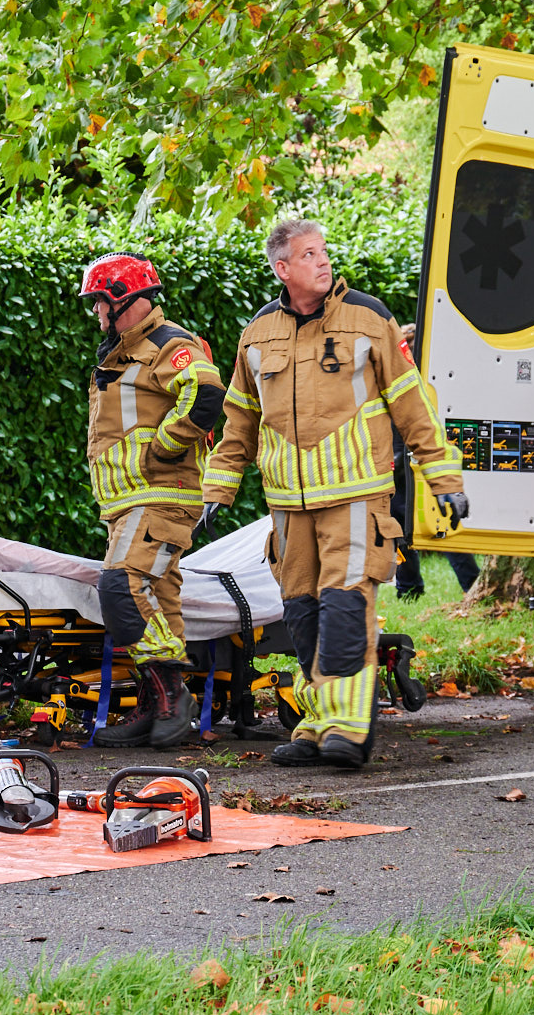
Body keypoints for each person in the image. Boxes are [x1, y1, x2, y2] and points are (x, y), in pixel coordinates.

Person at [202, 219, 466, 770]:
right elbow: (238, 421)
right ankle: (318, 723)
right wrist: (218, 488)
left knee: (345, 611)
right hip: (287, 509)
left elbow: (412, 404)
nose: (323, 261)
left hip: (356, 496)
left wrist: (444, 478)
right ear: (282, 268)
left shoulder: (369, 319)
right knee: (301, 618)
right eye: (308, 254)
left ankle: (350, 730)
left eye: (323, 251)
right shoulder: (257, 334)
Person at [79, 253, 226, 749]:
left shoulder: (169, 344)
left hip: (159, 497)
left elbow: (206, 395)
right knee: (159, 601)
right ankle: (159, 705)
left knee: (120, 585)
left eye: (100, 303)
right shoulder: (121, 352)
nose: (97, 314)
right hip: (129, 503)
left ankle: (171, 698)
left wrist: (166, 446)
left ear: (123, 299)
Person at [389, 324, 479, 600]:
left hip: (402, 458)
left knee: (401, 526)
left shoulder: (399, 370)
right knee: (444, 522)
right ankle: (470, 584)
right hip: (423, 457)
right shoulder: (434, 377)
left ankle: (409, 588)